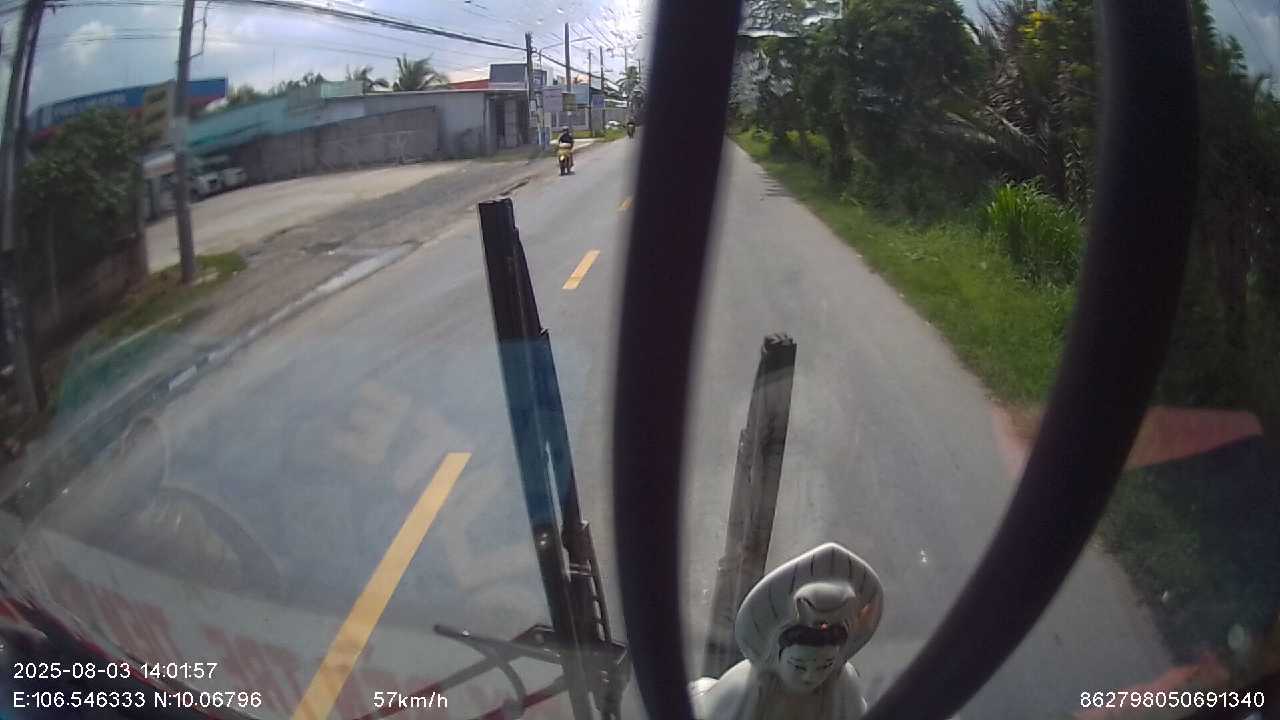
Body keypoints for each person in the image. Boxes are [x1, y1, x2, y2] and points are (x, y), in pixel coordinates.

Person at [689, 543, 882, 720]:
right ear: (776, 656)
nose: (810, 677)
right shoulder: (745, 688)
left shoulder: (842, 687)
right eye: (798, 666)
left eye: (825, 666)